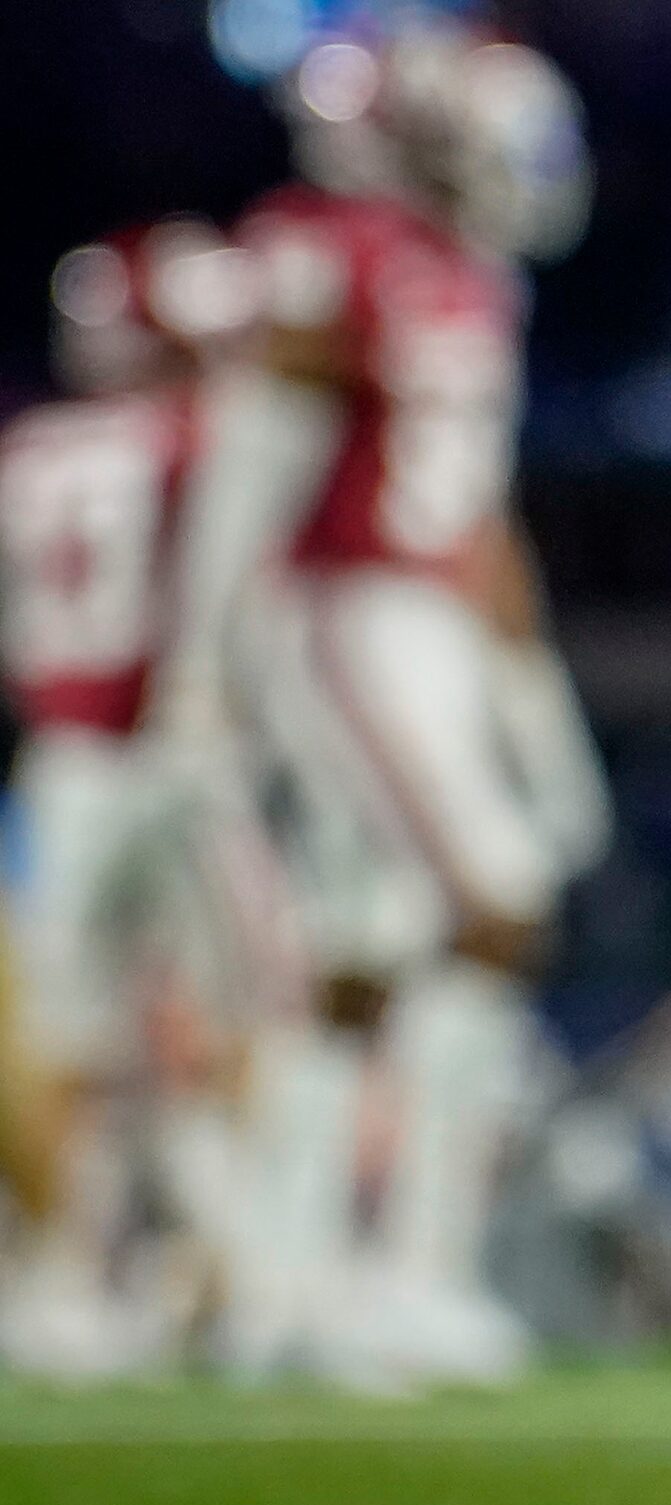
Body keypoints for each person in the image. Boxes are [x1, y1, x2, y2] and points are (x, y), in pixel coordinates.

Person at [193, 23, 605, 1382]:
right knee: (494, 900)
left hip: (419, 613)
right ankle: (414, 1274)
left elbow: (479, 515)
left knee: (363, 947)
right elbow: (261, 458)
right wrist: (209, 656)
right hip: (349, 606)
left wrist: (530, 695)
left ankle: (283, 1276)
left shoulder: (470, 279)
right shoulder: (341, 247)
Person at [0, 220, 291, 1378]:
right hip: (176, 751)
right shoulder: (200, 437)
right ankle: (227, 1269)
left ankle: (73, 1276)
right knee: (233, 1020)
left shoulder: (33, 446)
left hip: (62, 759)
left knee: (79, 1041)